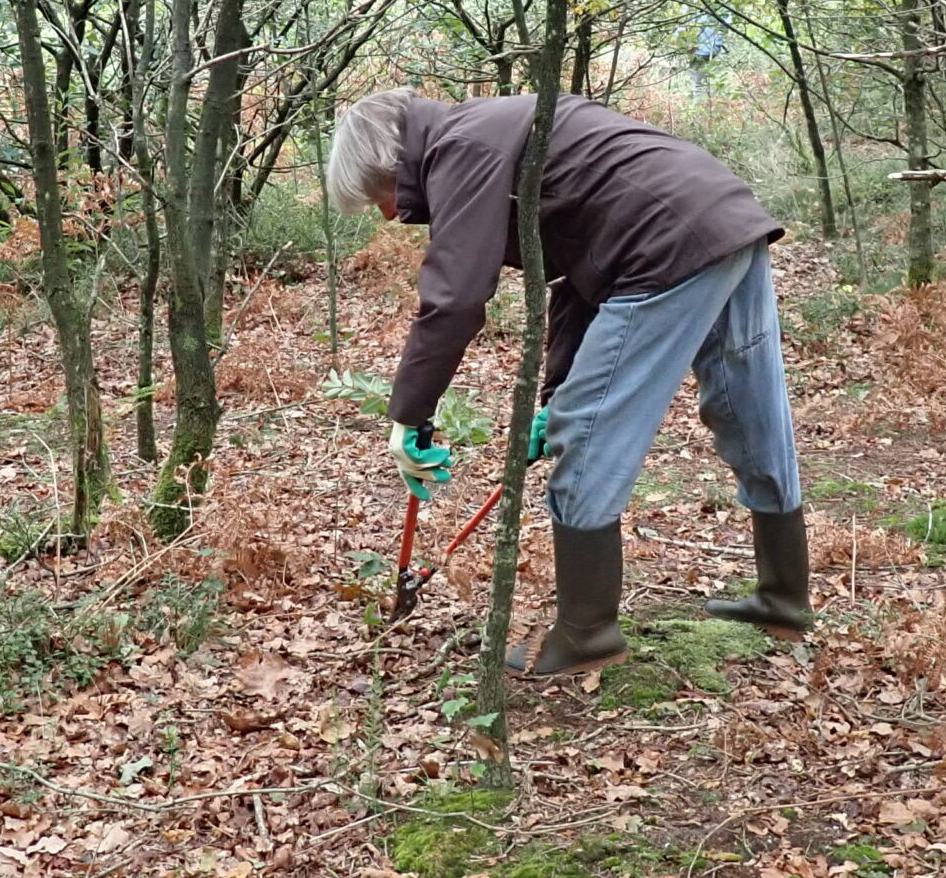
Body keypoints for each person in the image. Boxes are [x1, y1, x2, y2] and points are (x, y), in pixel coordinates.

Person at [325, 87, 810, 678]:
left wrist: (409, 415)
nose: (390, 216)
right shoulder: (494, 130)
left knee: (587, 433)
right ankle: (784, 597)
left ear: (392, 162)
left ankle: (587, 634)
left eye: (382, 197)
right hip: (722, 218)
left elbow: (454, 299)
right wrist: (551, 399)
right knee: (746, 406)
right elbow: (578, 275)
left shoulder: (461, 149)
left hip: (663, 245)